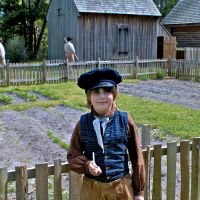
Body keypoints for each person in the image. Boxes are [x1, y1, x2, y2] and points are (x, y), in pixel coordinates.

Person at [67, 68, 145, 200]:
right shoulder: (82, 123)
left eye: (107, 91)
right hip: (91, 190)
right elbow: (73, 156)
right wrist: (87, 165)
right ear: (89, 97)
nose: (102, 96)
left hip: (121, 189)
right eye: (96, 92)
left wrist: (139, 193)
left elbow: (137, 157)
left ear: (113, 94)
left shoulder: (125, 120)